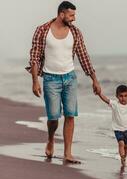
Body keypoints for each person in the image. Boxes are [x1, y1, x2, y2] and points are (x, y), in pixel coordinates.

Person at [26, 1, 101, 164]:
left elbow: (84, 57)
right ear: (62, 14)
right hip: (50, 79)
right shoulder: (42, 30)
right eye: (71, 15)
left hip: (70, 78)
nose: (74, 18)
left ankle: (68, 153)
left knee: (70, 115)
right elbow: (34, 57)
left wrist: (94, 79)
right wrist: (35, 81)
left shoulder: (75, 32)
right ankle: (51, 139)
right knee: (53, 117)